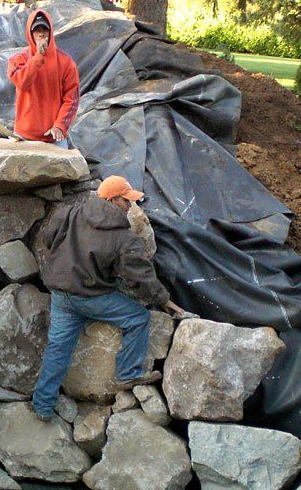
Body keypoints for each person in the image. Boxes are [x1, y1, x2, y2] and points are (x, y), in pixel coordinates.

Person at [32, 175, 188, 421]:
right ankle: (128, 372)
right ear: (114, 200)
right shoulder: (123, 238)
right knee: (138, 318)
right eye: (127, 201)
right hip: (91, 296)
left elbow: (48, 237)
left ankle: (42, 406)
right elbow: (140, 278)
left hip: (61, 293)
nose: (131, 207)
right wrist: (165, 301)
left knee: (58, 349)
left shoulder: (71, 212)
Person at [7, 10, 79, 148]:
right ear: (30, 33)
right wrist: (38, 57)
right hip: (23, 136)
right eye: (37, 30)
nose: (41, 34)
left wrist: (60, 126)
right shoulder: (18, 60)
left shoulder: (66, 63)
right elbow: (23, 82)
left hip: (54, 138)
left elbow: (71, 99)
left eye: (45, 29)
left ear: (51, 32)